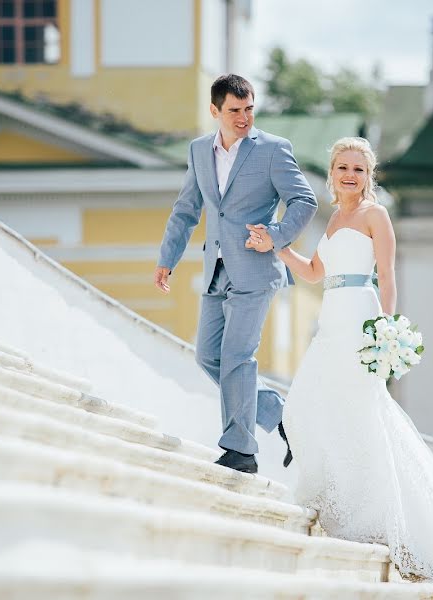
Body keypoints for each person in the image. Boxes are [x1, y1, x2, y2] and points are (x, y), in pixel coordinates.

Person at [246, 137, 433, 600]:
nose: (351, 176)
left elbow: (387, 275)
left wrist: (385, 332)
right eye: (343, 168)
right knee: (307, 405)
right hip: (330, 319)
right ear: (332, 173)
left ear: (370, 176)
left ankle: (370, 517)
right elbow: (312, 273)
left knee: (362, 412)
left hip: (359, 318)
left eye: (359, 170)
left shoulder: (375, 216)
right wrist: (275, 247)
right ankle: (334, 497)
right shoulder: (334, 218)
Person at [155, 74, 317, 474]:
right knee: (208, 356)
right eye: (234, 110)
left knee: (237, 357)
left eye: (249, 109)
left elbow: (304, 200)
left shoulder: (274, 150)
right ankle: (283, 418)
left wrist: (276, 236)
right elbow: (187, 209)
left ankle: (240, 450)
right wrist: (167, 258)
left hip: (256, 270)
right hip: (216, 269)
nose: (244, 117)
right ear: (215, 111)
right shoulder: (198, 151)